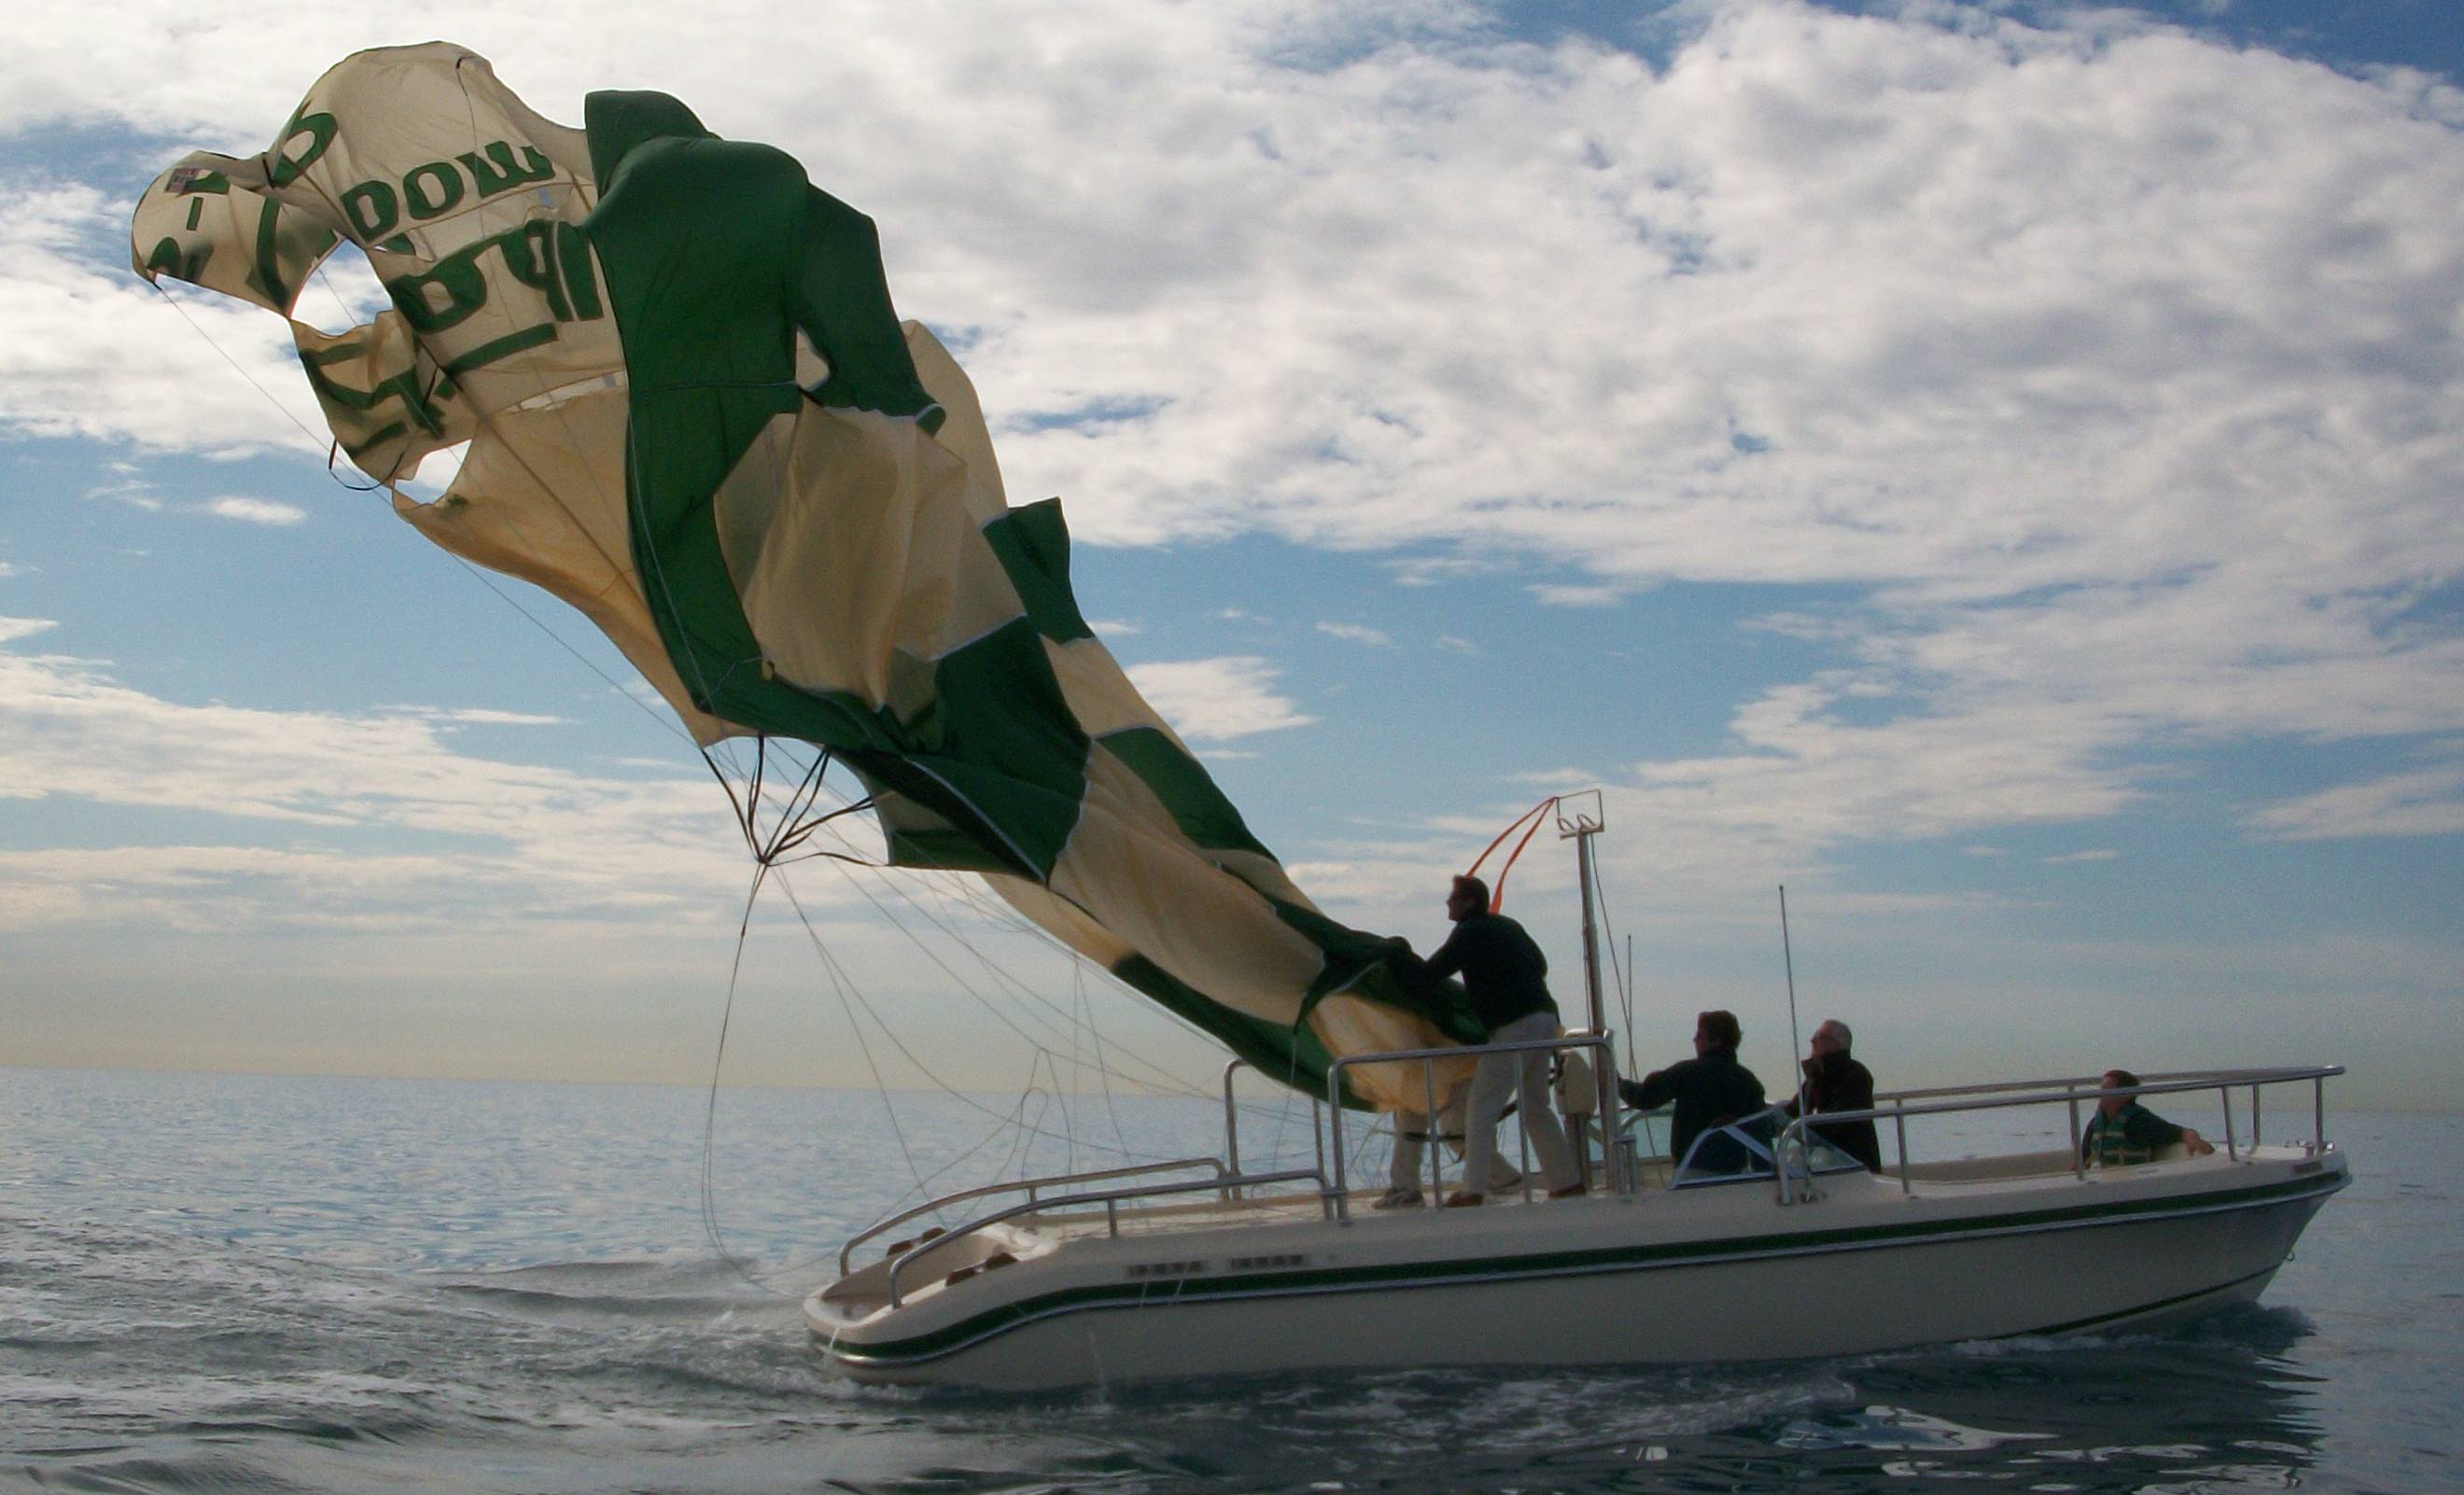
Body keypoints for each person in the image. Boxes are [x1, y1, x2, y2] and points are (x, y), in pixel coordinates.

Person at [1415, 874, 1583, 1207]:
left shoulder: (1468, 932)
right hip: (1546, 1019)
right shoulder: (1508, 925)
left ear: (1470, 902)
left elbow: (1432, 973)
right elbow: (1541, 965)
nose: (1447, 902)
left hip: (1514, 1026)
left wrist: (1399, 963)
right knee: (1536, 1106)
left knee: (1480, 1109)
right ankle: (1566, 1182)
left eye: (1453, 897)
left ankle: (1472, 1190)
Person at [1618, 1010, 1766, 1167]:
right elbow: (1761, 1131)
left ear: (1715, 1041)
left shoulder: (1688, 1073)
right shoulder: (1749, 1082)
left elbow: (1645, 1098)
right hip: (1734, 1171)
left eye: (1699, 1035)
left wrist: (1618, 1084)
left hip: (1693, 1168)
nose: (1694, 1039)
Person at [1781, 1019, 1881, 1172]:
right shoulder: (1818, 1077)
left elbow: (1833, 1123)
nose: (1812, 1041)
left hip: (1853, 1162)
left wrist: (1799, 1128)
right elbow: (1795, 1108)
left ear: (1835, 1044)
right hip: (1830, 1154)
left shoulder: (1856, 1076)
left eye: (1820, 1037)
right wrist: (1777, 1120)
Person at [2080, 1069, 2214, 1167]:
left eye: (2107, 1091)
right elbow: (2082, 1161)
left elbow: (2180, 1132)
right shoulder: (2096, 1124)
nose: (2101, 1095)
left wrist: (2194, 1140)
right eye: (2101, 1090)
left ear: (2125, 1096)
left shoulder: (2140, 1122)